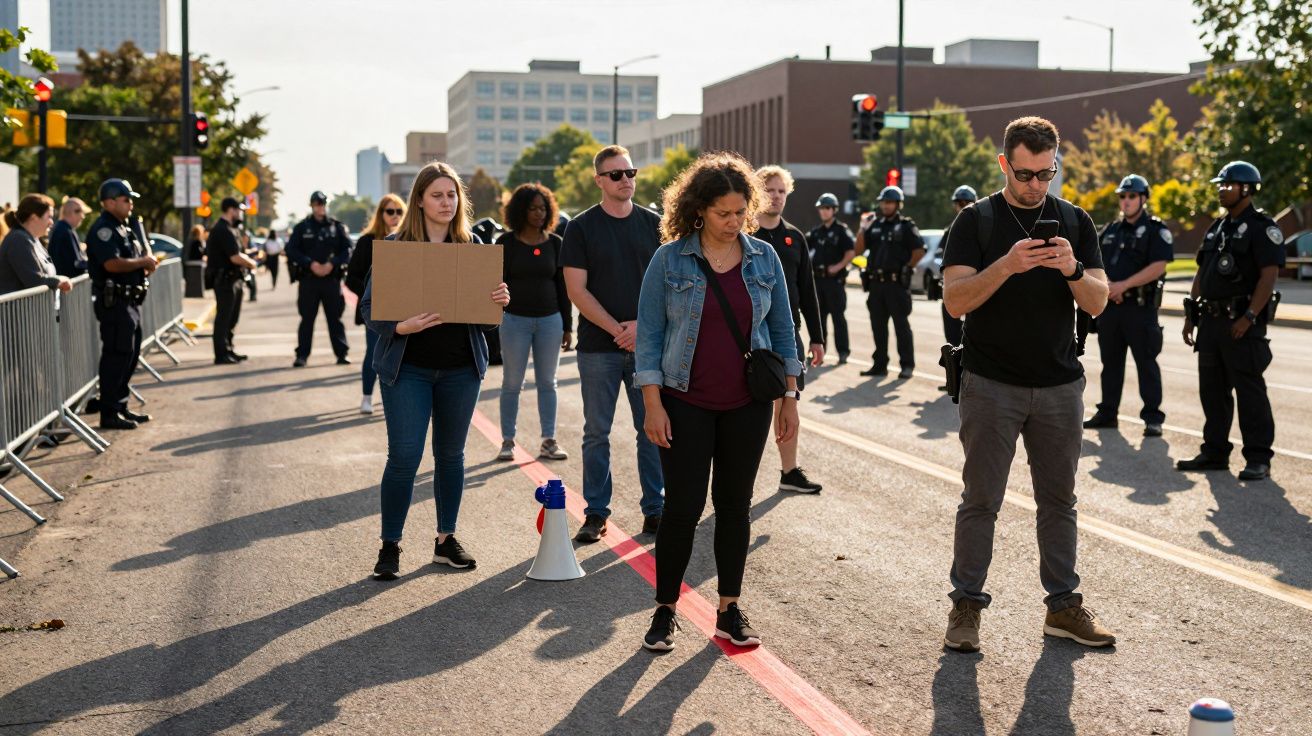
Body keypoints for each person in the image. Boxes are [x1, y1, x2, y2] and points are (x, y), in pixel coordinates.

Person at [941, 116, 1115, 652]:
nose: (1036, 185)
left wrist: (1072, 271)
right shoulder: (976, 221)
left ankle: (1063, 607)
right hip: (991, 383)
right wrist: (1007, 266)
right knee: (981, 501)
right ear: (1003, 165)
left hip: (1060, 385)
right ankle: (966, 606)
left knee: (1059, 501)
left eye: (1046, 173)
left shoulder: (1075, 221)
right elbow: (955, 300)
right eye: (1024, 174)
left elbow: (1098, 300)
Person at [634, 151, 801, 651]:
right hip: (683, 401)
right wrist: (652, 403)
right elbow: (649, 335)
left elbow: (782, 330)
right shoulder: (670, 259)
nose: (733, 222)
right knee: (682, 509)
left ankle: (729, 609)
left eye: (739, 212)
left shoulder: (763, 258)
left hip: (746, 403)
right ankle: (665, 610)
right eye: (723, 213)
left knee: (734, 508)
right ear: (699, 209)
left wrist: (788, 398)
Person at [361, 162, 510, 579]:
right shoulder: (395, 247)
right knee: (405, 457)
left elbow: (485, 321)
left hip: (461, 369)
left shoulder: (473, 247)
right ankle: (390, 544)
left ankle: (446, 540)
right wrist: (399, 326)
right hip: (408, 369)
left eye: (452, 195)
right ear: (420, 202)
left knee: (451, 456)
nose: (447, 203)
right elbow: (368, 308)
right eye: (437, 195)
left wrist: (498, 300)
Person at [561, 145, 665, 542]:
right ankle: (595, 513)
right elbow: (577, 289)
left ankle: (655, 509)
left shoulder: (654, 224)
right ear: (599, 180)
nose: (626, 180)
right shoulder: (581, 227)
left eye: (630, 172)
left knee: (652, 429)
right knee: (596, 432)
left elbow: (667, 287)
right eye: (616, 174)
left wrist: (642, 327)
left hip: (648, 346)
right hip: (598, 348)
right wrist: (616, 329)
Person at [1177, 161, 1283, 482]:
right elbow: (1202, 272)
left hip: (1241, 323)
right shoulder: (1217, 228)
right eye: (1220, 185)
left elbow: (1269, 276)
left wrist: (1250, 316)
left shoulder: (1261, 228)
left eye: (1228, 185)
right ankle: (1215, 452)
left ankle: (1258, 458)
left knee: (1249, 392)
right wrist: (1190, 314)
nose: (1222, 190)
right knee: (1212, 391)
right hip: (1210, 323)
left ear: (1247, 189)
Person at [1083, 175, 1174, 436]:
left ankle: (1152, 417)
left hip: (1140, 308)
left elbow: (1159, 266)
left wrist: (1124, 286)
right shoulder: (1111, 230)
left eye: (1132, 196)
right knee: (1110, 363)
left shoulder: (1157, 230)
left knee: (1146, 362)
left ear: (1143, 199)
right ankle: (1108, 413)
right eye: (1123, 196)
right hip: (1111, 307)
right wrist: (1109, 286)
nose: (1126, 201)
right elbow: (1094, 261)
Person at [754, 166, 824, 493]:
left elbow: (807, 289)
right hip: (751, 336)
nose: (776, 196)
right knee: (751, 410)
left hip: (787, 335)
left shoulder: (795, 237)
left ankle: (789, 472)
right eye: (770, 190)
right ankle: (740, 479)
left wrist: (817, 338)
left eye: (782, 191)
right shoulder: (742, 234)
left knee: (788, 402)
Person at [495, 183, 573, 462]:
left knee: (547, 382)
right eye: (533, 208)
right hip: (514, 320)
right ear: (520, 210)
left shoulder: (555, 243)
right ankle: (507, 441)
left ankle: (549, 440)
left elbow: (563, 287)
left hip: (550, 321)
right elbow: (496, 284)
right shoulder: (505, 243)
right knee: (512, 382)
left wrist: (567, 326)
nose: (539, 213)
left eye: (543, 208)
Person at [86, 179, 156, 431]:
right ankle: (109, 412)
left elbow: (136, 259)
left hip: (130, 301)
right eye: (126, 199)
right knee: (116, 357)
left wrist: (144, 265)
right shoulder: (104, 229)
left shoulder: (126, 227)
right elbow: (111, 264)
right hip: (114, 302)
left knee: (130, 354)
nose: (131, 204)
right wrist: (142, 262)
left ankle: (120, 405)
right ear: (110, 202)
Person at [346, 193, 405, 414]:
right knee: (374, 353)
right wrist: (372, 297)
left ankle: (394, 400)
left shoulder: (409, 240)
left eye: (399, 211)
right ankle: (367, 397)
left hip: (404, 310)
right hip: (375, 310)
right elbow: (351, 278)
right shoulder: (366, 241)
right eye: (390, 211)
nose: (395, 216)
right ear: (381, 214)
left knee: (400, 356)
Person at [858, 186, 924, 379]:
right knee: (878, 327)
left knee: (901, 326)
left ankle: (907, 365)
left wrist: (907, 267)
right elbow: (859, 251)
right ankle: (879, 365)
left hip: (896, 284)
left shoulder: (905, 225)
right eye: (883, 202)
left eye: (889, 202)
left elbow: (919, 250)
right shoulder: (874, 225)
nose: (885, 206)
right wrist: (862, 227)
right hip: (876, 284)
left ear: (897, 204)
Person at [287, 190, 352, 367]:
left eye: (322, 203)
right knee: (307, 319)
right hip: (309, 280)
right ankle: (302, 355)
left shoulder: (336, 227)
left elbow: (347, 250)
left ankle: (342, 353)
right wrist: (310, 264)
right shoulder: (302, 228)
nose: (320, 207)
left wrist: (332, 264)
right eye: (317, 204)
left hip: (331, 280)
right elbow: (291, 250)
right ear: (311, 205)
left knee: (335, 318)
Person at [208, 197, 259, 365]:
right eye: (239, 210)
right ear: (231, 210)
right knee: (224, 317)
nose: (241, 214)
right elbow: (235, 257)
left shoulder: (232, 229)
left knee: (232, 318)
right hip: (225, 280)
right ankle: (221, 354)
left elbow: (238, 252)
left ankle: (228, 349)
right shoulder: (222, 229)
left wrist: (250, 255)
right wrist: (252, 263)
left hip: (234, 279)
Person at [807, 193, 856, 364]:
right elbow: (805, 251)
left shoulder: (841, 230)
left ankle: (843, 352)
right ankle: (819, 352)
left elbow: (851, 252)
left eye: (827, 208)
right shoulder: (816, 232)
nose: (824, 211)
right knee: (819, 319)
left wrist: (838, 266)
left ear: (834, 210)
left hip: (834, 282)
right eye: (821, 208)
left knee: (838, 318)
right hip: (818, 281)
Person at [0, 194, 72, 295]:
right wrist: (59, 280)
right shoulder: (18, 239)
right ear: (33, 217)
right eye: (49, 217)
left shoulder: (32, 239)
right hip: (17, 310)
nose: (52, 222)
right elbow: (35, 281)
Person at [940, 186, 977, 352]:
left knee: (976, 334)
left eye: (967, 202)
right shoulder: (951, 229)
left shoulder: (983, 227)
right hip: (954, 288)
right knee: (952, 339)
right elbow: (941, 258)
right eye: (959, 203)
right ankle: (955, 374)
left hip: (976, 286)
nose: (963, 206)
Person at [49, 197, 91, 278]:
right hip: (66, 284)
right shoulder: (65, 230)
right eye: (82, 213)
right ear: (73, 212)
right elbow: (76, 263)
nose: (83, 217)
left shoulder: (62, 228)